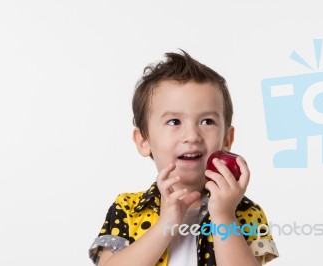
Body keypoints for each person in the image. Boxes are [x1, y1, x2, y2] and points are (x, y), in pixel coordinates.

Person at [89, 50, 279, 266]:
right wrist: (165, 224)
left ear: (227, 138)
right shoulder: (128, 208)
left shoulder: (245, 213)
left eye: (207, 121)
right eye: (174, 122)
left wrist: (224, 216)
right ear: (143, 140)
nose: (192, 136)